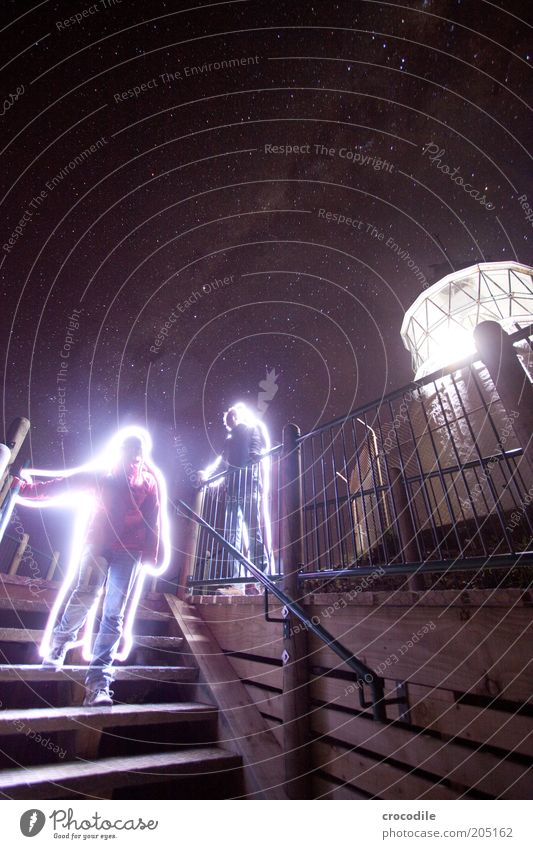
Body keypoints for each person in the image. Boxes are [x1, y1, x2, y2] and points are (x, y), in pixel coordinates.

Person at [14, 432, 161, 706]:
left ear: (142, 453)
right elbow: (64, 485)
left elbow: (154, 517)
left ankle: (98, 685)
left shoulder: (149, 482)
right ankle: (60, 643)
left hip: (128, 552)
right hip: (98, 545)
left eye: (137, 449)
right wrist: (22, 489)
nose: (133, 454)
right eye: (130, 448)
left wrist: (152, 552)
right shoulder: (103, 475)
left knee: (114, 614)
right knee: (86, 595)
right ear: (121, 451)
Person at [219, 404, 270, 595]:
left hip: (248, 486)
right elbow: (222, 463)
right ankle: (237, 582)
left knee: (252, 532)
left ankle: (260, 580)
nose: (229, 420)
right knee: (232, 537)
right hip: (233, 490)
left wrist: (254, 456)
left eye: (231, 416)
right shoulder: (228, 441)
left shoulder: (251, 428)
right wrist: (206, 475)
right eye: (227, 418)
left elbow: (257, 445)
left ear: (238, 416)